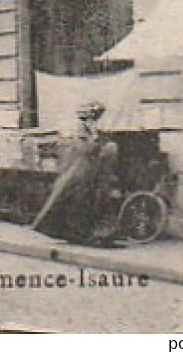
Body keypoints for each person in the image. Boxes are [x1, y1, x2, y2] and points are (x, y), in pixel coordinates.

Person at [33, 101, 121, 246]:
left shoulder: (89, 132)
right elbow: (86, 150)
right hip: (78, 177)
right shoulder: (79, 134)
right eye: (94, 117)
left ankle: (87, 233)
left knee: (87, 205)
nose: (95, 121)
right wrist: (95, 139)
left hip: (88, 175)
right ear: (87, 118)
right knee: (77, 206)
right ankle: (79, 234)